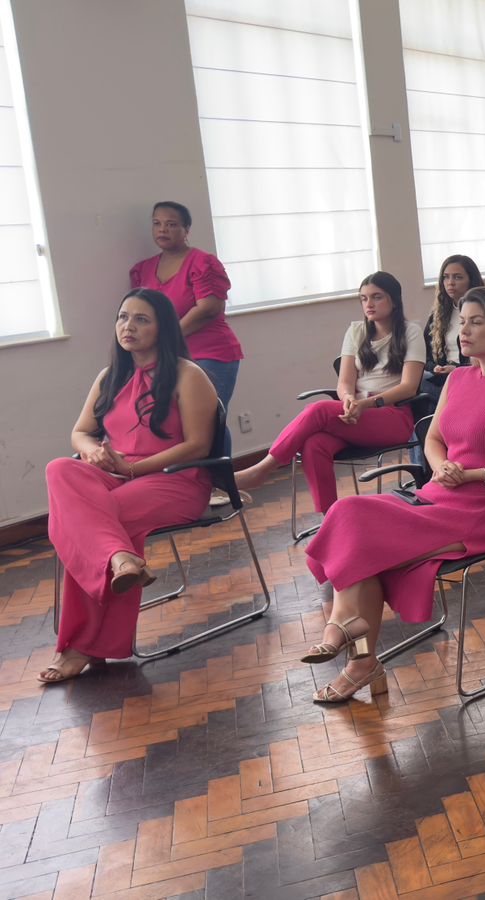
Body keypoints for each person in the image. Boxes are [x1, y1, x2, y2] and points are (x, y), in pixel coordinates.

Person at [299, 288, 485, 702]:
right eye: (463, 321)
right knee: (349, 518)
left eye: (476, 322)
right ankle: (358, 653)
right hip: (437, 495)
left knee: (361, 539)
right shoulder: (457, 378)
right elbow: (432, 439)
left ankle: (347, 637)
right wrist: (439, 465)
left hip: (483, 510)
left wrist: (473, 473)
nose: (463, 330)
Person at [39, 290, 219, 682]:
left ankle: (82, 646)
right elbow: (80, 432)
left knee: (87, 523)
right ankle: (121, 559)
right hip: (117, 476)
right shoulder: (110, 376)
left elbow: (198, 445)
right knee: (60, 470)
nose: (128, 327)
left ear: (163, 328)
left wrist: (135, 471)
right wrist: (92, 453)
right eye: (123, 317)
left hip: (175, 480)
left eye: (141, 319)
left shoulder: (189, 374)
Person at [233, 273, 424, 513]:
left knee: (319, 409)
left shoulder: (411, 332)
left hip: (393, 416)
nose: (369, 304)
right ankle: (330, 518)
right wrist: (349, 400)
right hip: (356, 413)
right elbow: (344, 382)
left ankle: (262, 470)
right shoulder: (356, 332)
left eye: (377, 297)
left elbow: (408, 386)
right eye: (364, 298)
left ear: (394, 300)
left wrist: (365, 405)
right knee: (315, 444)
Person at [130, 202, 242, 502]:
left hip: (212, 354)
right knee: (178, 424)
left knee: (208, 422)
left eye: (171, 224)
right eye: (157, 223)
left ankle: (220, 486)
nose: (163, 230)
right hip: (169, 359)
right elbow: (140, 309)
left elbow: (209, 308)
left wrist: (166, 336)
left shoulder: (203, 262)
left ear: (186, 229)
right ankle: (189, 487)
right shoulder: (144, 269)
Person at [422, 254, 485, 395]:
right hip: (443, 376)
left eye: (458, 277)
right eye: (446, 277)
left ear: (471, 280)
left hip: (472, 374)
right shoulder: (438, 314)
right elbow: (425, 355)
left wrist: (457, 369)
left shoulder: (484, 311)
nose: (450, 282)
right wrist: (436, 368)